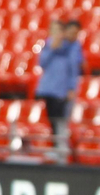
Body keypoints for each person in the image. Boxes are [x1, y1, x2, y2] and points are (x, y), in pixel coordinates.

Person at [35, 18, 82, 161]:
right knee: (52, 119)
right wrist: (52, 48)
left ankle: (61, 148)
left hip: (62, 90)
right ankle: (56, 147)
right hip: (49, 88)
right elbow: (42, 63)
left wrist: (71, 88)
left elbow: (74, 69)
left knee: (60, 119)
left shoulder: (73, 47)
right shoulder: (50, 44)